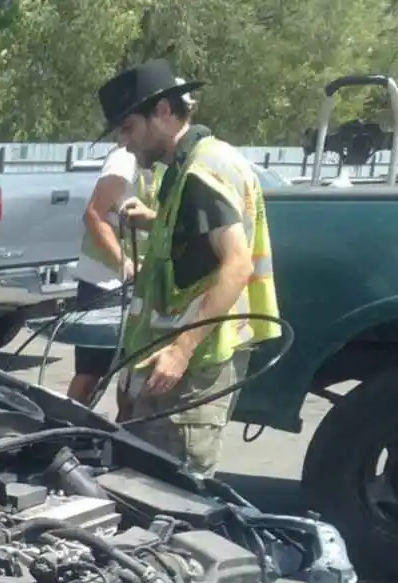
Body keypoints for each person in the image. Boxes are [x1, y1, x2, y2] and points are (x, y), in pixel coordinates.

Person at [97, 59, 279, 478]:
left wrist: (181, 351)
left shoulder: (200, 172)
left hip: (192, 366)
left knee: (175, 491)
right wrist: (156, 220)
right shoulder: (193, 163)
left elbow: (236, 264)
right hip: (178, 361)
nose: (124, 144)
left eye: (128, 129)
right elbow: (199, 243)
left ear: (162, 112)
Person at [66, 144, 151, 407]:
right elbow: (94, 215)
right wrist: (123, 262)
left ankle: (121, 436)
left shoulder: (167, 160)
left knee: (132, 371)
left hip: (142, 284)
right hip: (105, 282)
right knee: (92, 373)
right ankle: (66, 433)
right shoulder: (125, 159)